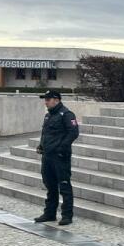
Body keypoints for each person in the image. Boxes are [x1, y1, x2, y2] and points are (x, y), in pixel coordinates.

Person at [33, 89, 80, 226]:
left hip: (60, 156)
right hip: (47, 156)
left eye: (48, 99)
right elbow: (46, 133)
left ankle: (67, 215)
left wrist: (61, 148)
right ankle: (50, 213)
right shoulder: (48, 116)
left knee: (64, 185)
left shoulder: (66, 114)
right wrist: (41, 145)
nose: (46, 102)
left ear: (56, 100)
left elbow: (73, 133)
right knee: (50, 185)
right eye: (45, 100)